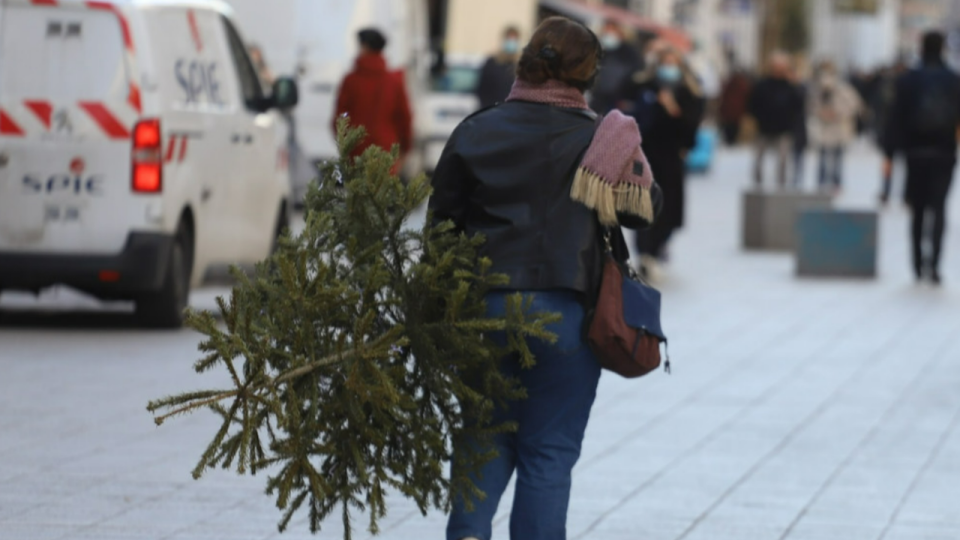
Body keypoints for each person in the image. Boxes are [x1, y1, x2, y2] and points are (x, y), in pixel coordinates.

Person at [429, 16, 662, 540]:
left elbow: (439, 230)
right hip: (566, 315)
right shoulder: (602, 139)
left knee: (481, 440)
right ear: (587, 74)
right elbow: (646, 212)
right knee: (548, 454)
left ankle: (467, 532)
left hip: (482, 312)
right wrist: (624, 144)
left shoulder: (475, 130)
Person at [882, 31, 960, 285]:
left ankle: (917, 264)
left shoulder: (907, 80)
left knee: (917, 210)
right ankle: (934, 264)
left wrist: (889, 154)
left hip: (914, 153)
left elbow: (895, 118)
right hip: (944, 152)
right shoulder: (953, 80)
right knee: (939, 209)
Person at [625, 46, 705, 277]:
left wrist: (672, 108)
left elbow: (691, 128)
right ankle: (644, 252)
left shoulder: (689, 92)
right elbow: (632, 114)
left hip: (672, 156)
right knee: (641, 203)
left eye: (673, 62)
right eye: (665, 62)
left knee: (668, 207)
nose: (669, 68)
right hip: (645, 154)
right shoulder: (644, 87)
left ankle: (658, 247)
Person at [333, 28, 413, 169]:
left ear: (365, 47)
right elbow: (404, 118)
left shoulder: (351, 80)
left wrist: (345, 145)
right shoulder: (393, 81)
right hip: (386, 151)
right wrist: (405, 148)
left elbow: (340, 118)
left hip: (356, 152)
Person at [748, 52, 805, 188]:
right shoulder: (762, 84)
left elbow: (799, 105)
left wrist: (795, 84)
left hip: (784, 129)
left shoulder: (791, 86)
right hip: (764, 128)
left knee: (783, 161)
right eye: (776, 65)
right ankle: (758, 186)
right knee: (758, 159)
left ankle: (781, 187)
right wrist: (759, 117)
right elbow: (752, 103)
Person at [808, 61, 862, 195]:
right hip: (824, 129)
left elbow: (854, 106)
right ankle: (821, 182)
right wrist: (821, 113)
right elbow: (812, 106)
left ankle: (836, 183)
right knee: (822, 158)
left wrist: (837, 113)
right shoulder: (817, 90)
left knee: (838, 159)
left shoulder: (844, 89)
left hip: (840, 130)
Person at [589, 19, 643, 113]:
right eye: (607, 30)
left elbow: (634, 74)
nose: (609, 33)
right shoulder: (599, 49)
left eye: (613, 30)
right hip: (597, 97)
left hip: (618, 100)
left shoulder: (630, 53)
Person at [475, 26, 522, 108]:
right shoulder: (492, 62)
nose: (511, 42)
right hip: (493, 109)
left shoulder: (522, 64)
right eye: (509, 39)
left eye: (514, 39)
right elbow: (482, 88)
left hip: (514, 111)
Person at [718, 67, 752, 145]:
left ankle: (730, 140)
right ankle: (731, 140)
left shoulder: (733, 84)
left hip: (730, 111)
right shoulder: (743, 84)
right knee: (732, 126)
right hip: (735, 111)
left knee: (730, 126)